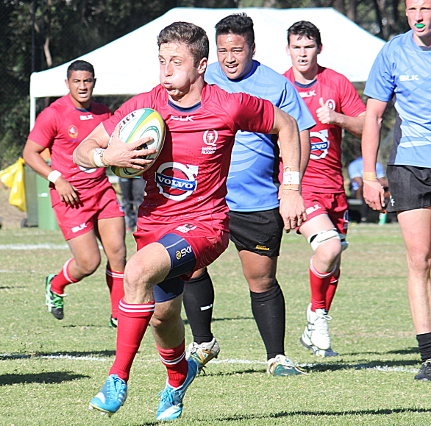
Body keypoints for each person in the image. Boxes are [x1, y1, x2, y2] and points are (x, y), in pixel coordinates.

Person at [73, 22, 304, 420]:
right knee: (162, 317)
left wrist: (291, 186)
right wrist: (105, 158)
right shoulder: (145, 106)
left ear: (201, 65)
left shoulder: (229, 105)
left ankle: (117, 379)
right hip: (154, 226)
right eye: (161, 61)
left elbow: (286, 125)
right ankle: (178, 377)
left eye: (175, 62)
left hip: (205, 226)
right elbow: (82, 149)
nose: (165, 70)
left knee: (137, 272)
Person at [182, 13, 314, 376]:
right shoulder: (200, 82)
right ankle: (203, 343)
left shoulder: (276, 85)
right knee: (190, 268)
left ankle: (277, 357)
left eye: (236, 50)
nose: (228, 58)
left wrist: (292, 189)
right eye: (222, 50)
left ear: (252, 48)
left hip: (256, 202)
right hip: (204, 200)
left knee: (261, 279)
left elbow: (300, 134)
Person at [283, 20, 366, 357]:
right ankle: (317, 315)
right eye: (296, 47)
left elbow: (365, 124)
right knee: (330, 248)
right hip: (301, 188)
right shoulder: (280, 85)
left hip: (335, 187)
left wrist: (338, 119)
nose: (303, 53)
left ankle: (314, 323)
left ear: (319, 48)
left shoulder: (336, 82)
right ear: (287, 50)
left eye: (308, 47)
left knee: (333, 257)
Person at [22, 60, 125, 325]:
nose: (82, 86)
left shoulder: (105, 114)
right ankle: (55, 285)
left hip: (101, 191)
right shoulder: (54, 114)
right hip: (70, 198)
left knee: (118, 253)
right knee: (89, 263)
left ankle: (119, 314)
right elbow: (29, 154)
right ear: (67, 84)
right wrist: (57, 178)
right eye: (77, 81)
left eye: (87, 81)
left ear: (94, 82)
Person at [361, 0, 431, 381]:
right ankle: (429, 356)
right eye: (412, 8)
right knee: (419, 259)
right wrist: (370, 176)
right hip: (409, 165)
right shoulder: (393, 51)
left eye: (427, 7)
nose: (419, 16)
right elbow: (373, 115)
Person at [348, 155, 387, 223]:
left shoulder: (377, 165)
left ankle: (391, 217)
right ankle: (364, 218)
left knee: (389, 192)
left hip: (376, 188)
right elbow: (358, 182)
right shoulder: (354, 164)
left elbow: (381, 180)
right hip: (358, 190)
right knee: (364, 189)